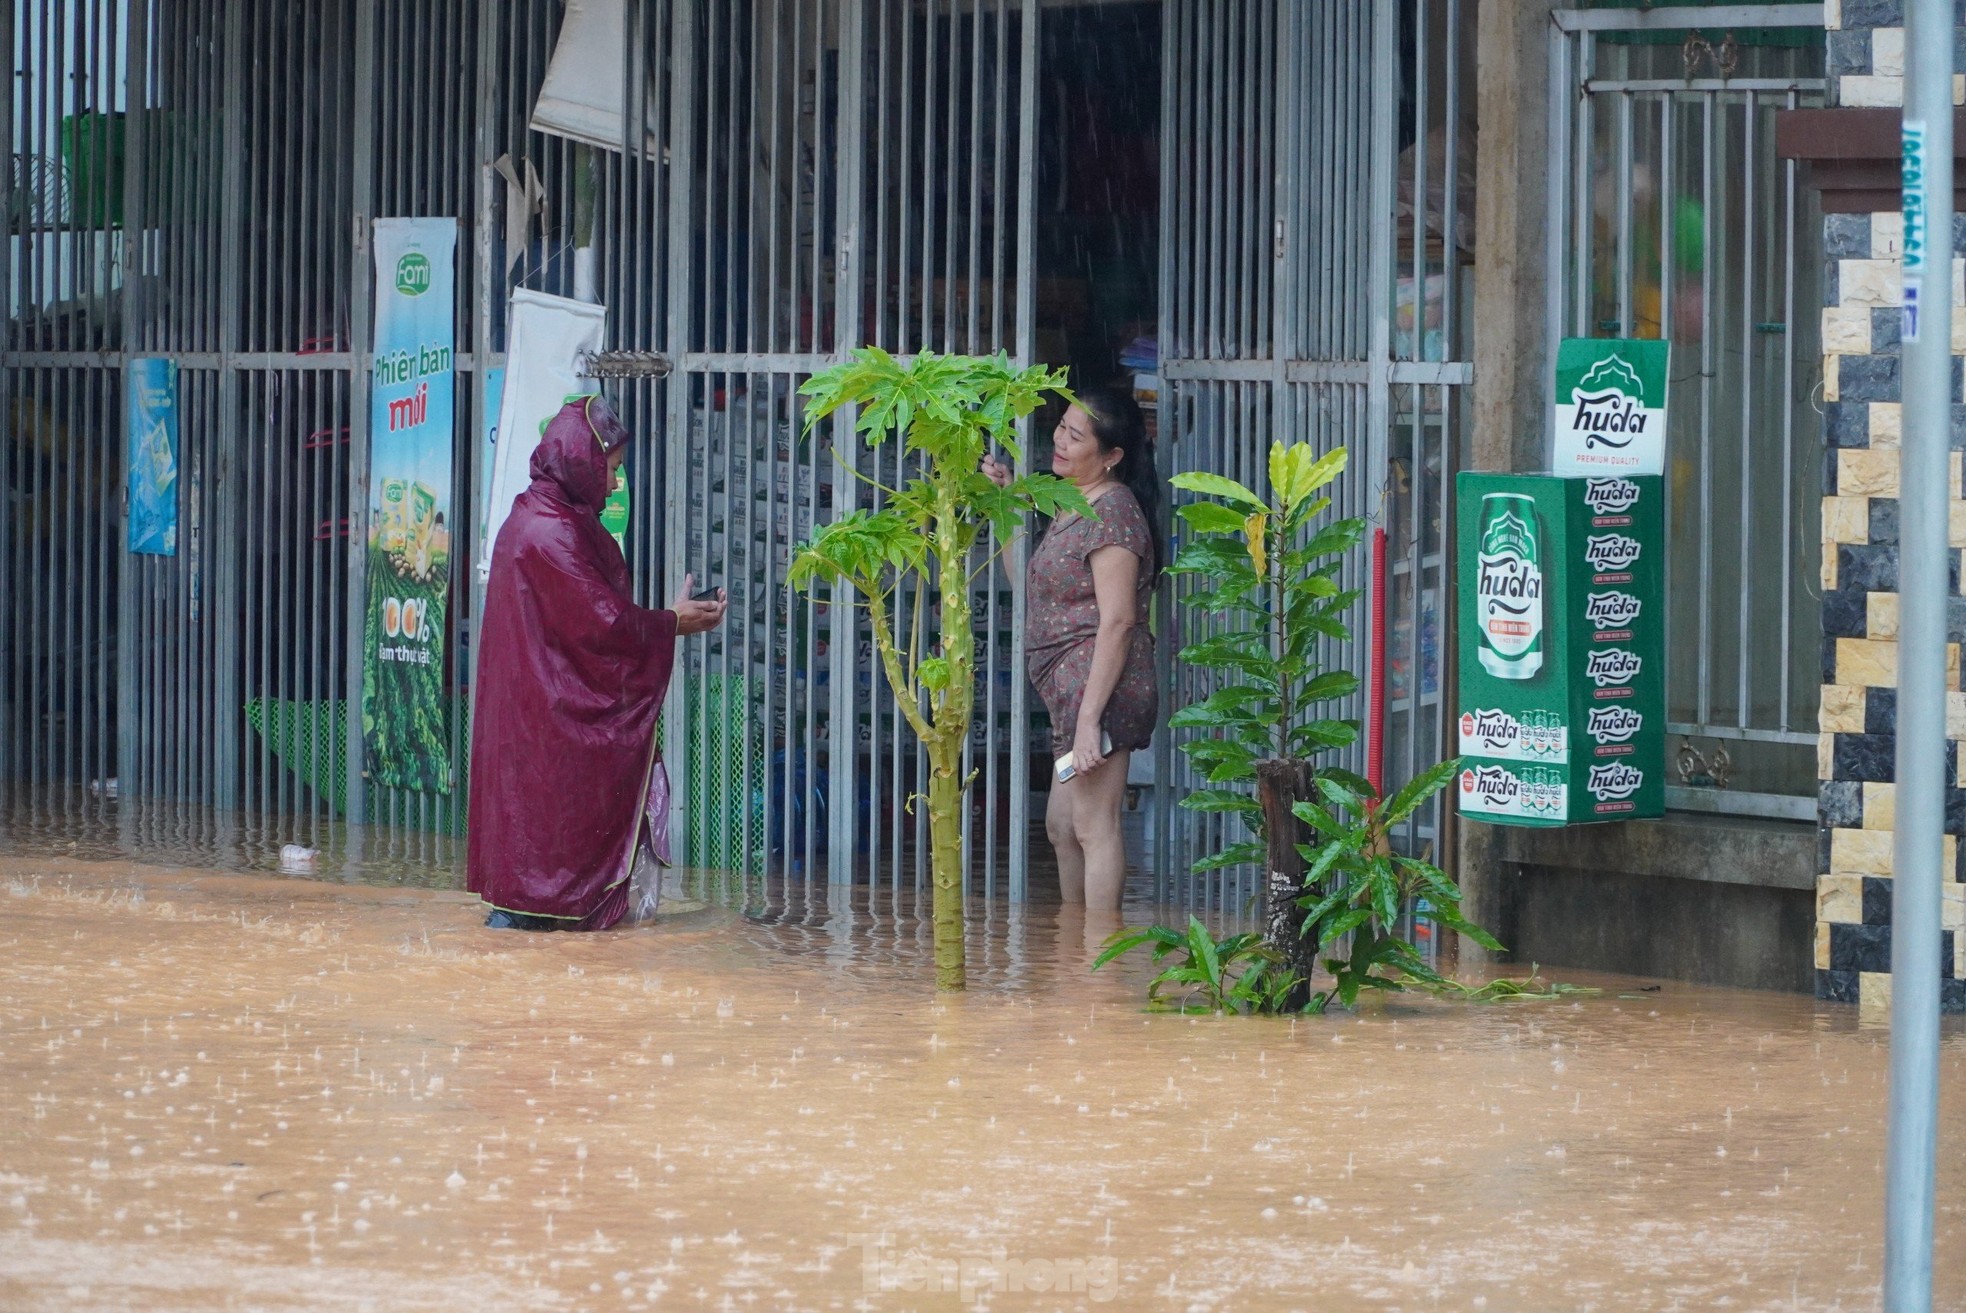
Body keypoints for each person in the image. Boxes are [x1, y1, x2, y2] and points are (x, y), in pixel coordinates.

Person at [468, 394, 726, 931]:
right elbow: (603, 626)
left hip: (533, 720)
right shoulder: (551, 533)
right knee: (544, 886)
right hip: (547, 725)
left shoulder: (536, 517)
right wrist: (671, 622)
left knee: (527, 894)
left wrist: (666, 620)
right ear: (581, 462)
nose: (613, 484)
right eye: (609, 470)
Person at [982, 386, 1163, 912]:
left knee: (1092, 826)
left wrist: (1089, 722)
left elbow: (1120, 620)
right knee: (1062, 826)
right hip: (1071, 697)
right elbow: (1028, 584)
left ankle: (1098, 960)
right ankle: (1073, 951)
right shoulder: (1069, 505)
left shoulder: (1115, 513)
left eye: (1075, 436)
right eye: (1061, 426)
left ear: (1111, 457)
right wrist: (1006, 505)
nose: (1059, 441)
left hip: (1099, 693)